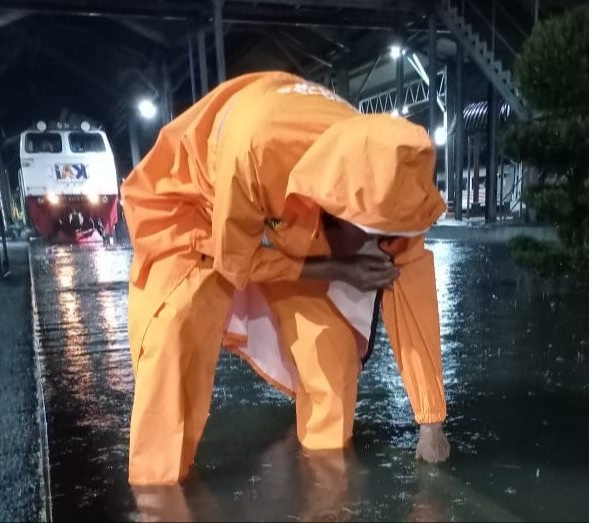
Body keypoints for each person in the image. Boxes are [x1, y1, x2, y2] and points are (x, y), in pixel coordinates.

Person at [121, 71, 450, 486]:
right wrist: (334, 268)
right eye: (374, 238)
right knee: (175, 336)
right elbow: (234, 262)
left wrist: (431, 422)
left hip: (288, 226)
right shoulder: (256, 149)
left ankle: (327, 487)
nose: (383, 249)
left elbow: (412, 293)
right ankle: (158, 494)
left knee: (330, 349)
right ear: (336, 209)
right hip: (191, 206)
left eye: (390, 238)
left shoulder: (391, 182)